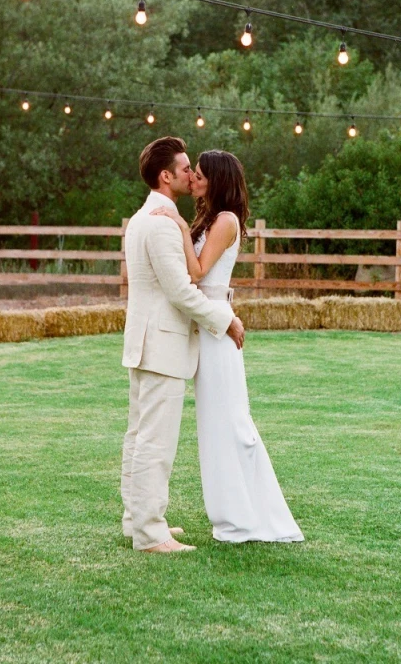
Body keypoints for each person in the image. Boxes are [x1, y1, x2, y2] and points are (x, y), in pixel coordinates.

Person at [151, 150, 304, 544]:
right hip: (209, 322)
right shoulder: (211, 217)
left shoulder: (226, 220)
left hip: (217, 324)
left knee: (230, 421)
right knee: (215, 423)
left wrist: (180, 228)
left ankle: (245, 516)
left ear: (217, 180)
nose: (194, 180)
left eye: (200, 175)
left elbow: (198, 271)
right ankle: (230, 512)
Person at [121, 136, 245, 554]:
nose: (193, 174)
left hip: (147, 341)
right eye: (186, 167)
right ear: (166, 175)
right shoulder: (159, 222)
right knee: (154, 442)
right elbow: (181, 291)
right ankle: (149, 532)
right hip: (163, 345)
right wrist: (225, 319)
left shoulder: (142, 218)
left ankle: (136, 519)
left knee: (140, 436)